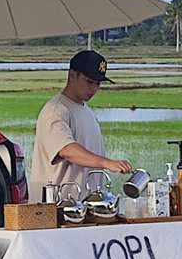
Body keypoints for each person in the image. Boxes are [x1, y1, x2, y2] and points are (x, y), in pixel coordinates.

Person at [29, 50, 133, 203]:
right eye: (89, 82)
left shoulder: (87, 111)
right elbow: (66, 150)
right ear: (72, 75)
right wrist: (106, 163)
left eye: (98, 83)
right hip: (56, 210)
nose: (94, 89)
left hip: (85, 207)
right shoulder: (56, 110)